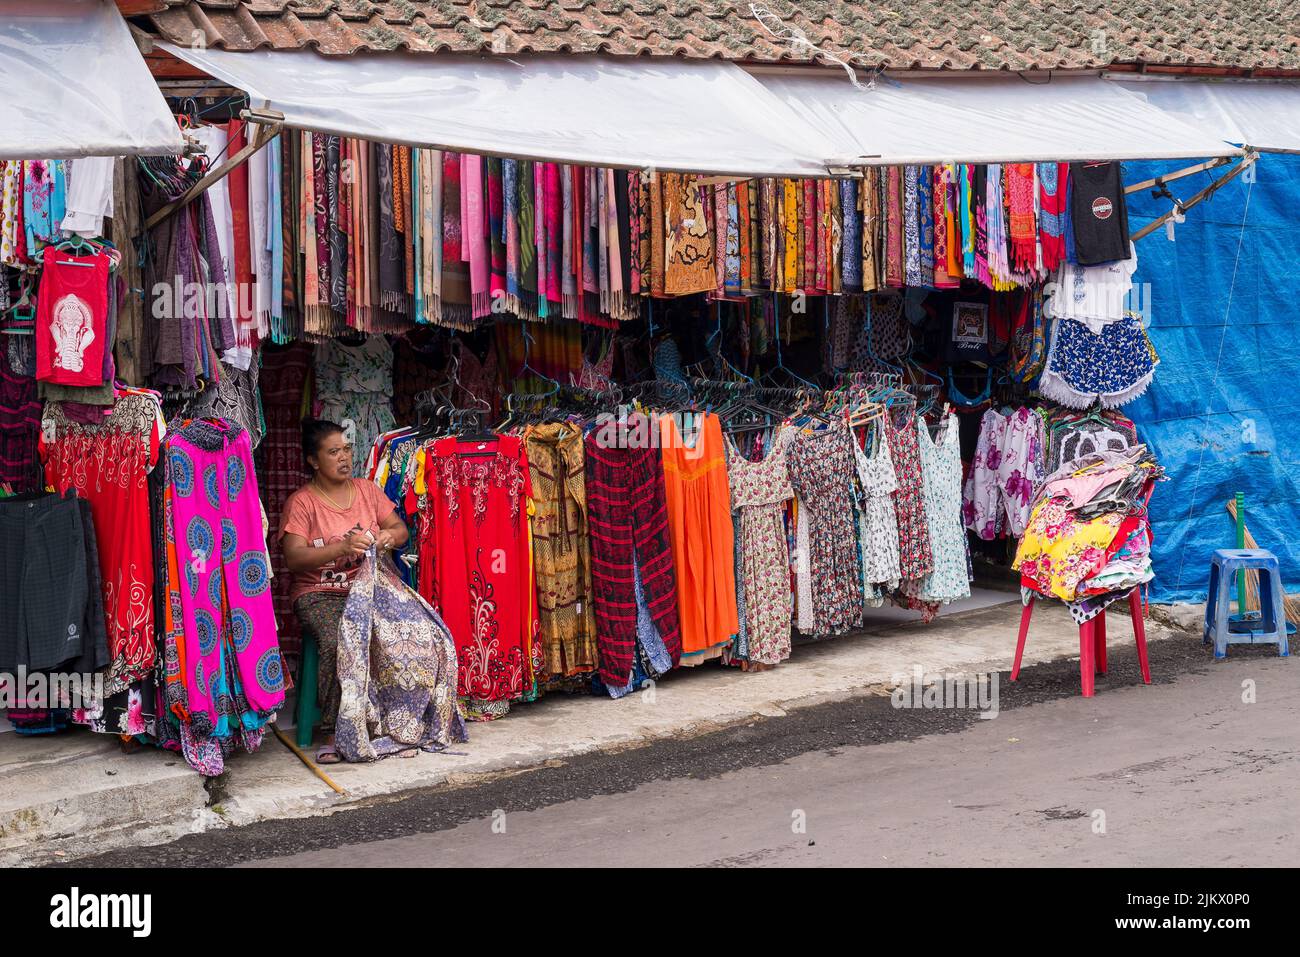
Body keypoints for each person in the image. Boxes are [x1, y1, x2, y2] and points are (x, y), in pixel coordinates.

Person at [278, 419, 409, 764]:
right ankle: (335, 728)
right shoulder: (302, 503)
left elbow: (399, 528)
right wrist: (341, 548)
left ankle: (396, 718)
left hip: (369, 586)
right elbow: (293, 558)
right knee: (341, 637)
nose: (344, 457)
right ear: (313, 460)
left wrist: (386, 538)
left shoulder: (366, 491)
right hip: (319, 592)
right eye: (333, 451)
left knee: (416, 629)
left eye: (347, 449)